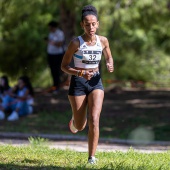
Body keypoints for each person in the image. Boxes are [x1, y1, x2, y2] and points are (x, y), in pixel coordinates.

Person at [61, 5, 114, 164]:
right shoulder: (76, 43)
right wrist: (80, 73)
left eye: (93, 24)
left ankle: (91, 157)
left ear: (97, 23)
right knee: (81, 125)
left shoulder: (103, 41)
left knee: (94, 119)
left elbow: (109, 57)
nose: (90, 27)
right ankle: (75, 122)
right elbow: (64, 66)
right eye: (87, 24)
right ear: (82, 25)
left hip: (96, 82)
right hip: (78, 83)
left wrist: (110, 64)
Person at [46, 21, 65, 93]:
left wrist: (51, 42)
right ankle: (54, 86)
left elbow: (60, 44)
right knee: (52, 70)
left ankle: (57, 86)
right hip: (50, 54)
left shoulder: (59, 33)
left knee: (57, 70)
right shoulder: (51, 33)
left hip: (57, 54)